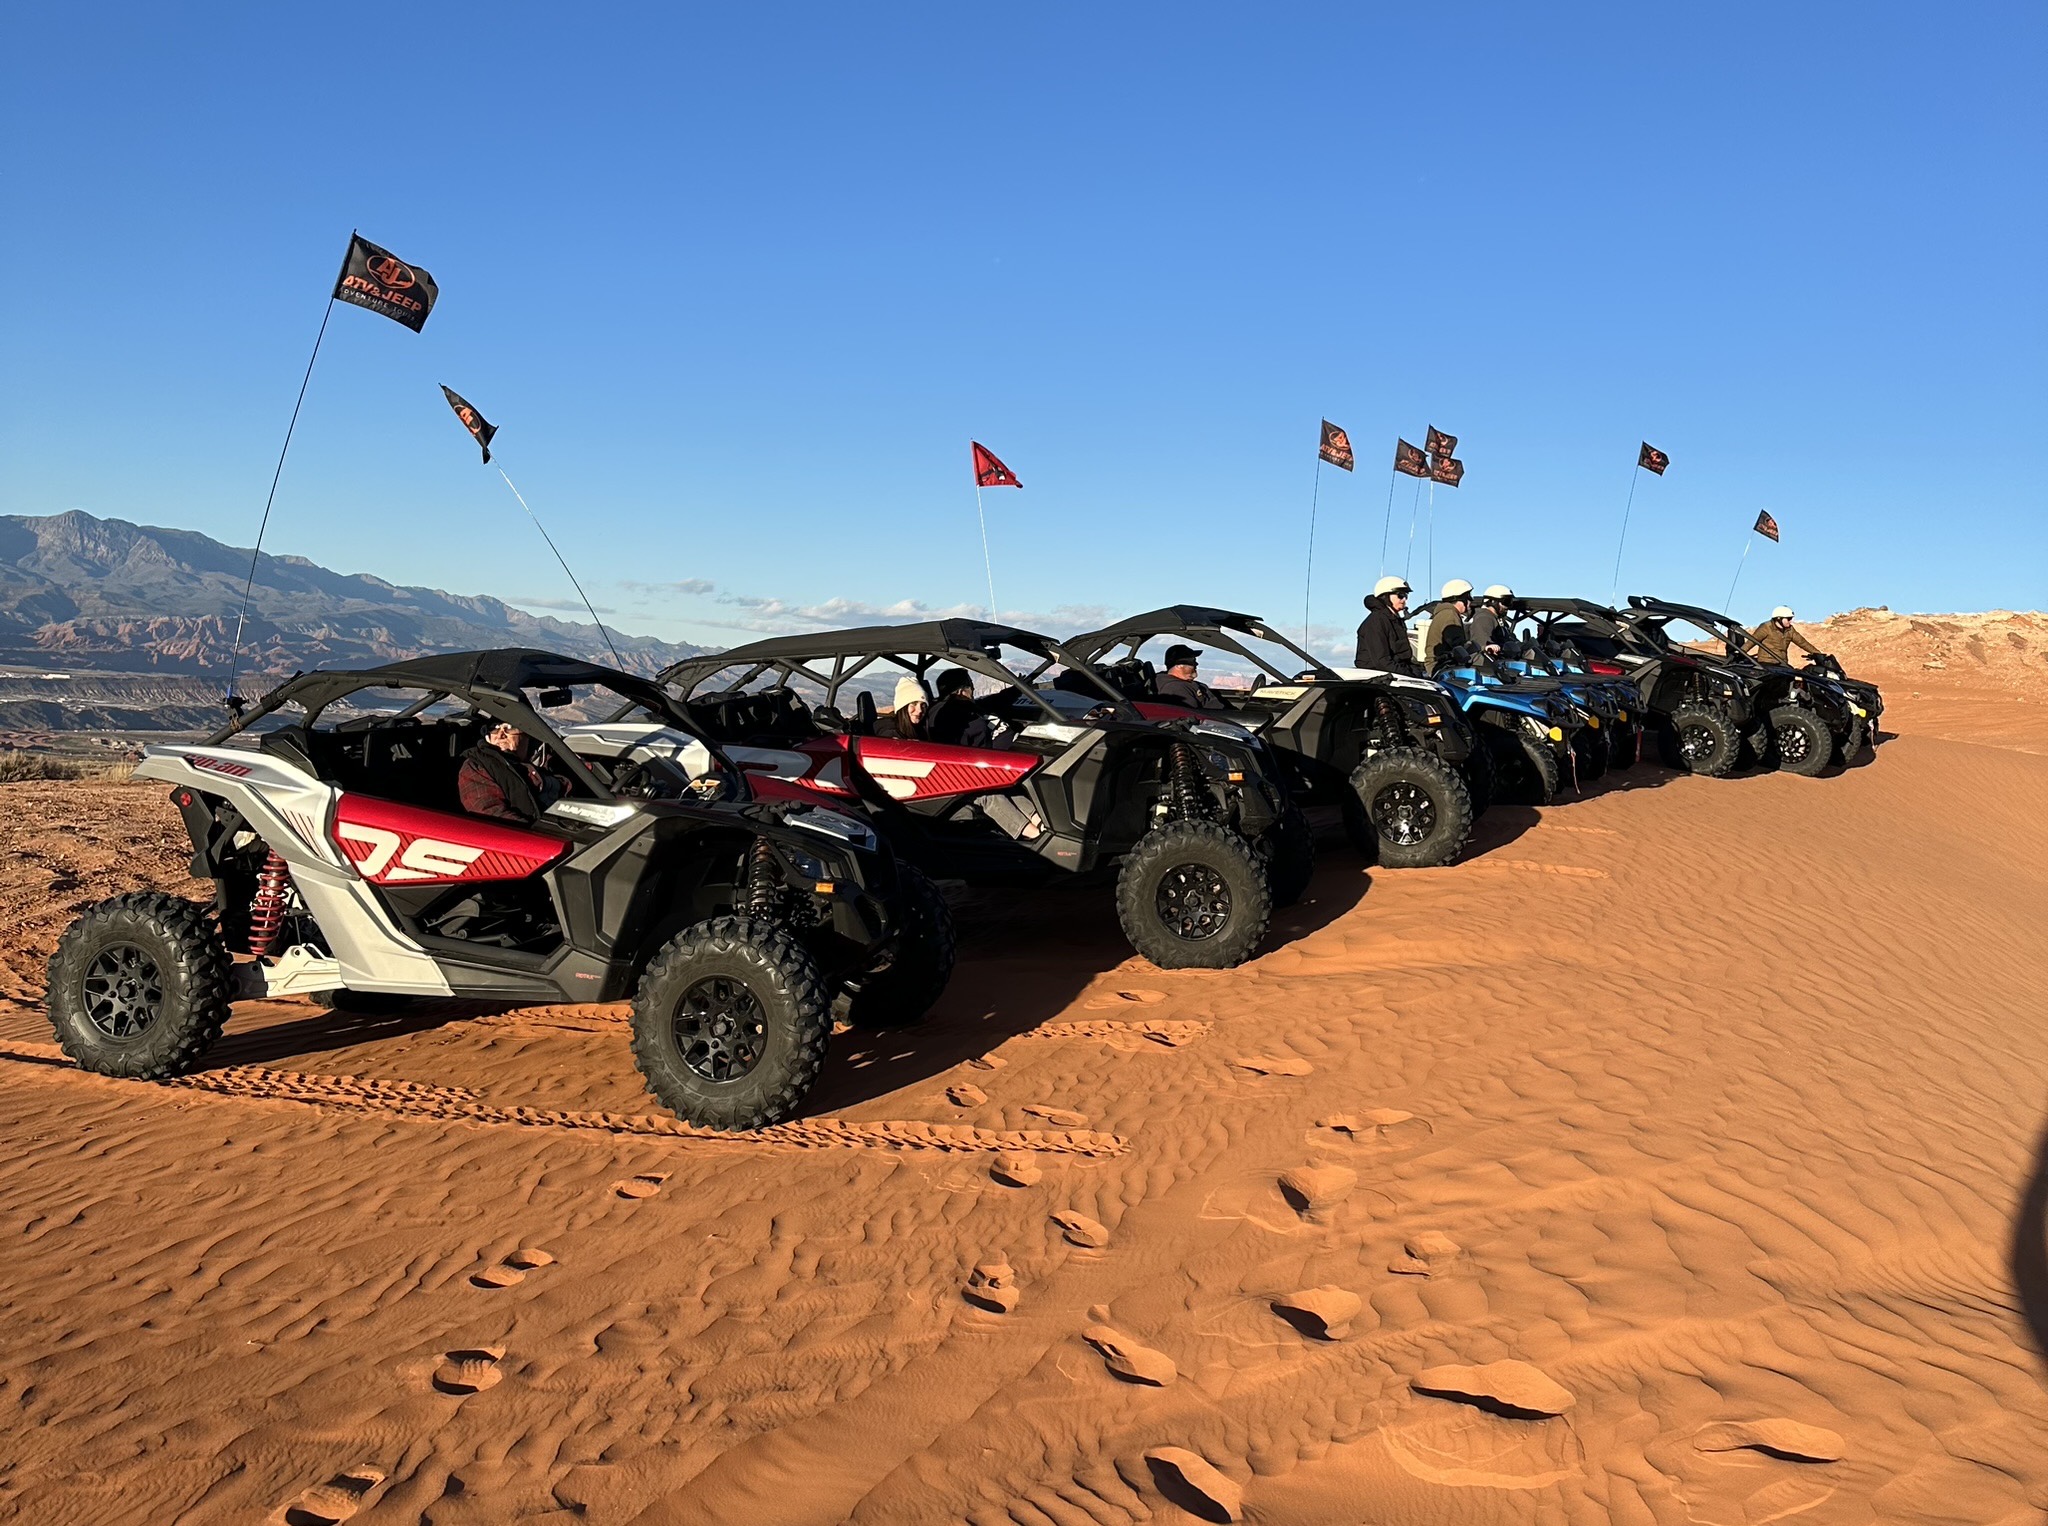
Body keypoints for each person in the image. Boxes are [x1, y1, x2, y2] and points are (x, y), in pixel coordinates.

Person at [458, 719, 567, 823]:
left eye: (509, 728)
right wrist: (537, 835)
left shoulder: (548, 758)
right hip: (534, 836)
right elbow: (491, 815)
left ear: (527, 732)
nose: (501, 735)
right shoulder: (478, 765)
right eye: (494, 729)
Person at [1354, 575, 1423, 675]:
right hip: (1378, 679)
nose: (1404, 600)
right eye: (1400, 595)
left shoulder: (1396, 620)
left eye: (1406, 596)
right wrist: (1409, 674)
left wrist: (1416, 672)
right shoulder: (1376, 621)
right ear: (1385, 597)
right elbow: (1382, 661)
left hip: (1395, 674)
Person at [1153, 643, 1227, 709]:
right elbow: (1192, 715)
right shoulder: (1175, 688)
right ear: (1179, 666)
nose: (1196, 664)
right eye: (1192, 661)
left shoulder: (1184, 683)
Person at [1747, 605, 1821, 666]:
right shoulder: (1766, 627)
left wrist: (1819, 655)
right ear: (1779, 618)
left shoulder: (1790, 630)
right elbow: (1751, 641)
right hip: (1766, 664)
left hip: (1783, 663)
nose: (1791, 621)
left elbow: (1803, 643)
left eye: (1791, 618)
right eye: (1788, 619)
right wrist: (1739, 653)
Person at [1424, 580, 1475, 663]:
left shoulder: (1446, 613)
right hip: (1442, 665)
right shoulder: (1450, 614)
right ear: (1460, 599)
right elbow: (1457, 643)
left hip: (1442, 663)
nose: (1470, 602)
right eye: (1468, 598)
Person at [924, 667, 977, 745]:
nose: (973, 689)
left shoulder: (932, 710)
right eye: (970, 686)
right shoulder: (968, 716)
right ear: (960, 691)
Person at [1468, 585, 1512, 656]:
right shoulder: (1484, 618)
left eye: (1510, 602)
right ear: (1493, 602)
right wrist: (1489, 646)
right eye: (1506, 602)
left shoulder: (1499, 620)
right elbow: (1482, 642)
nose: (1508, 607)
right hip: (1486, 663)